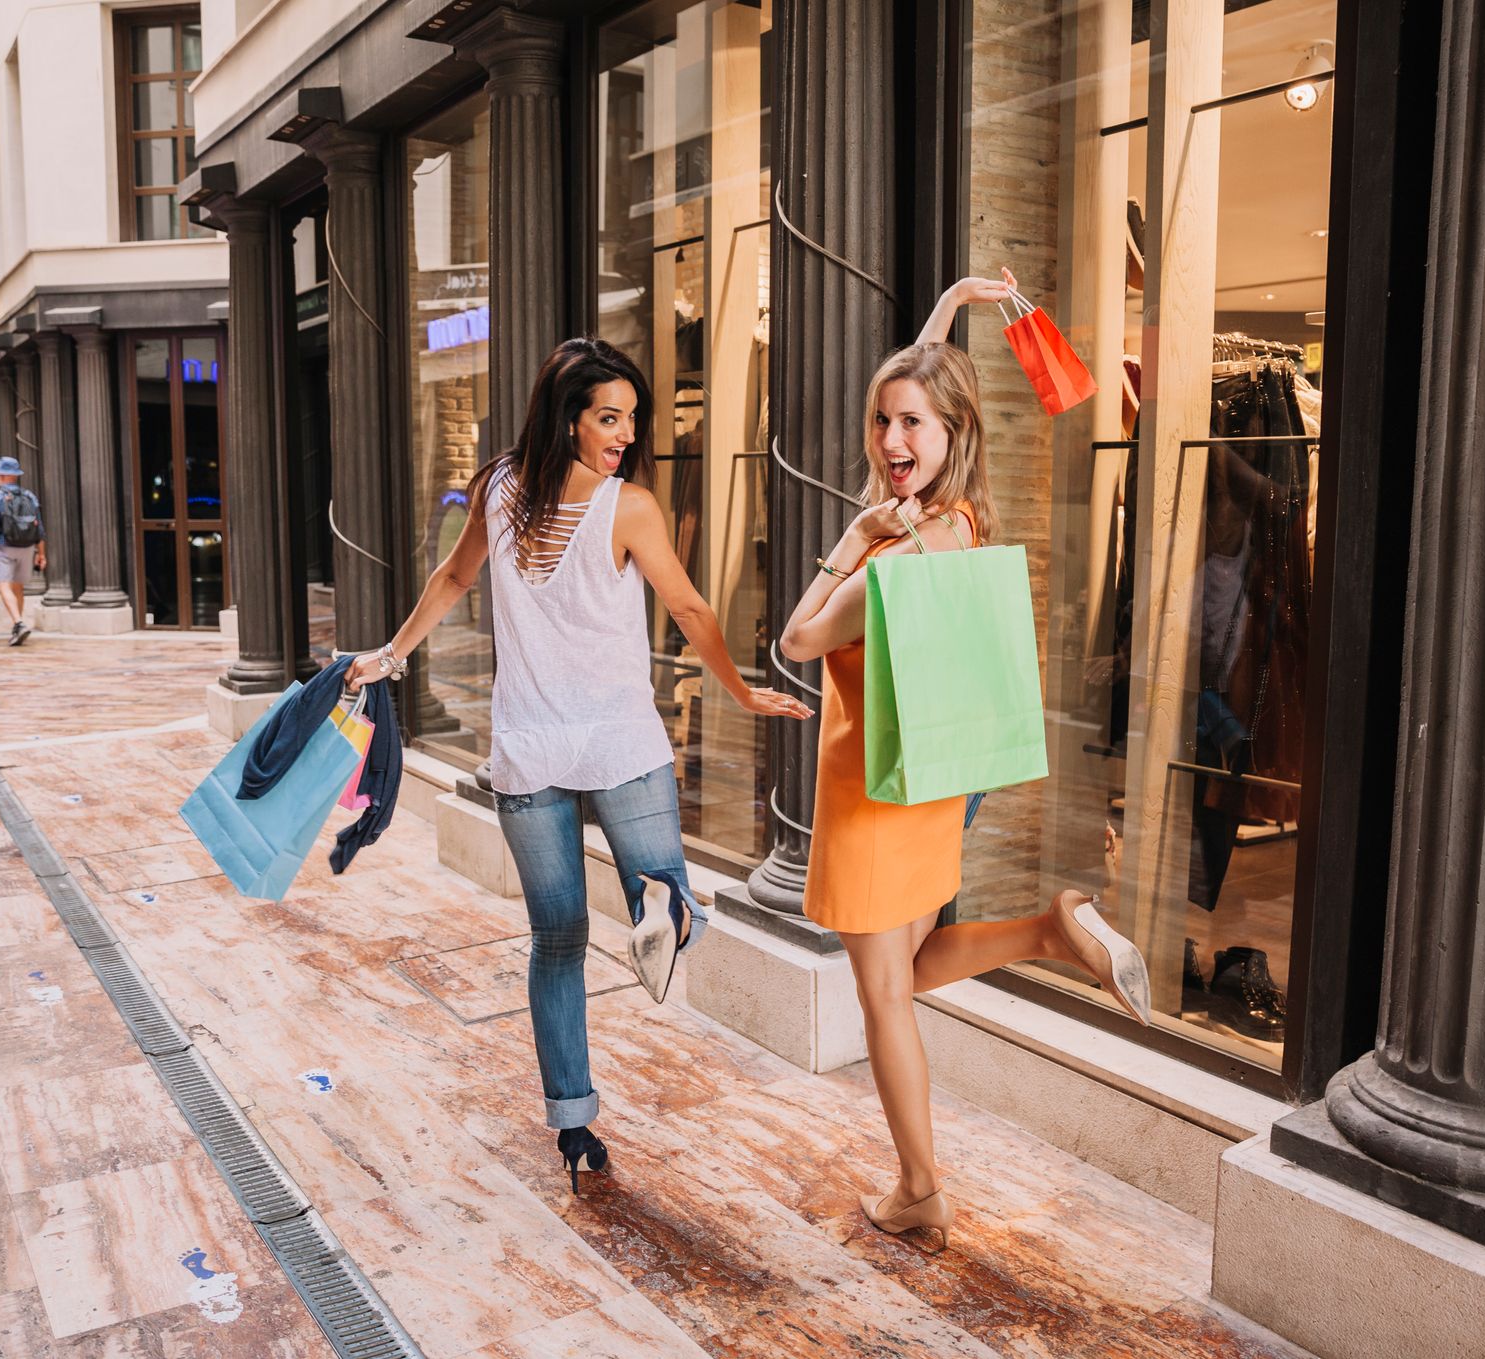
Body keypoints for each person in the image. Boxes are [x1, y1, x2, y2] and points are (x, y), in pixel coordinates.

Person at [348, 336, 811, 1192]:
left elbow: (451, 580)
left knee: (555, 940)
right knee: (664, 896)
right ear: (567, 419)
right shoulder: (627, 508)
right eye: (609, 417)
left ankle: (574, 1125)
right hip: (619, 742)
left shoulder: (496, 488)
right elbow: (691, 605)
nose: (626, 433)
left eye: (632, 419)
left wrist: (392, 653)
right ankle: (662, 905)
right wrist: (742, 694)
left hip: (529, 748)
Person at [778, 270, 1153, 1254]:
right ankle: (1046, 933)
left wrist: (847, 544)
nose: (892, 443)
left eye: (911, 426)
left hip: (870, 791)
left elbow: (797, 643)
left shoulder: (895, 551)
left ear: (953, 434)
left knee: (882, 995)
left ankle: (918, 1189)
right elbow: (922, 387)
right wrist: (950, 305)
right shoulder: (957, 523)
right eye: (882, 422)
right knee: (903, 966)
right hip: (930, 785)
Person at [0, 456, 45, 645]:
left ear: (1, 475)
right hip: (27, 547)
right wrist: (41, 553)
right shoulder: (29, 495)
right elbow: (39, 527)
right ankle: (19, 624)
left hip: (4, 546)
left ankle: (18, 622)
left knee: (3, 585)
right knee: (18, 587)